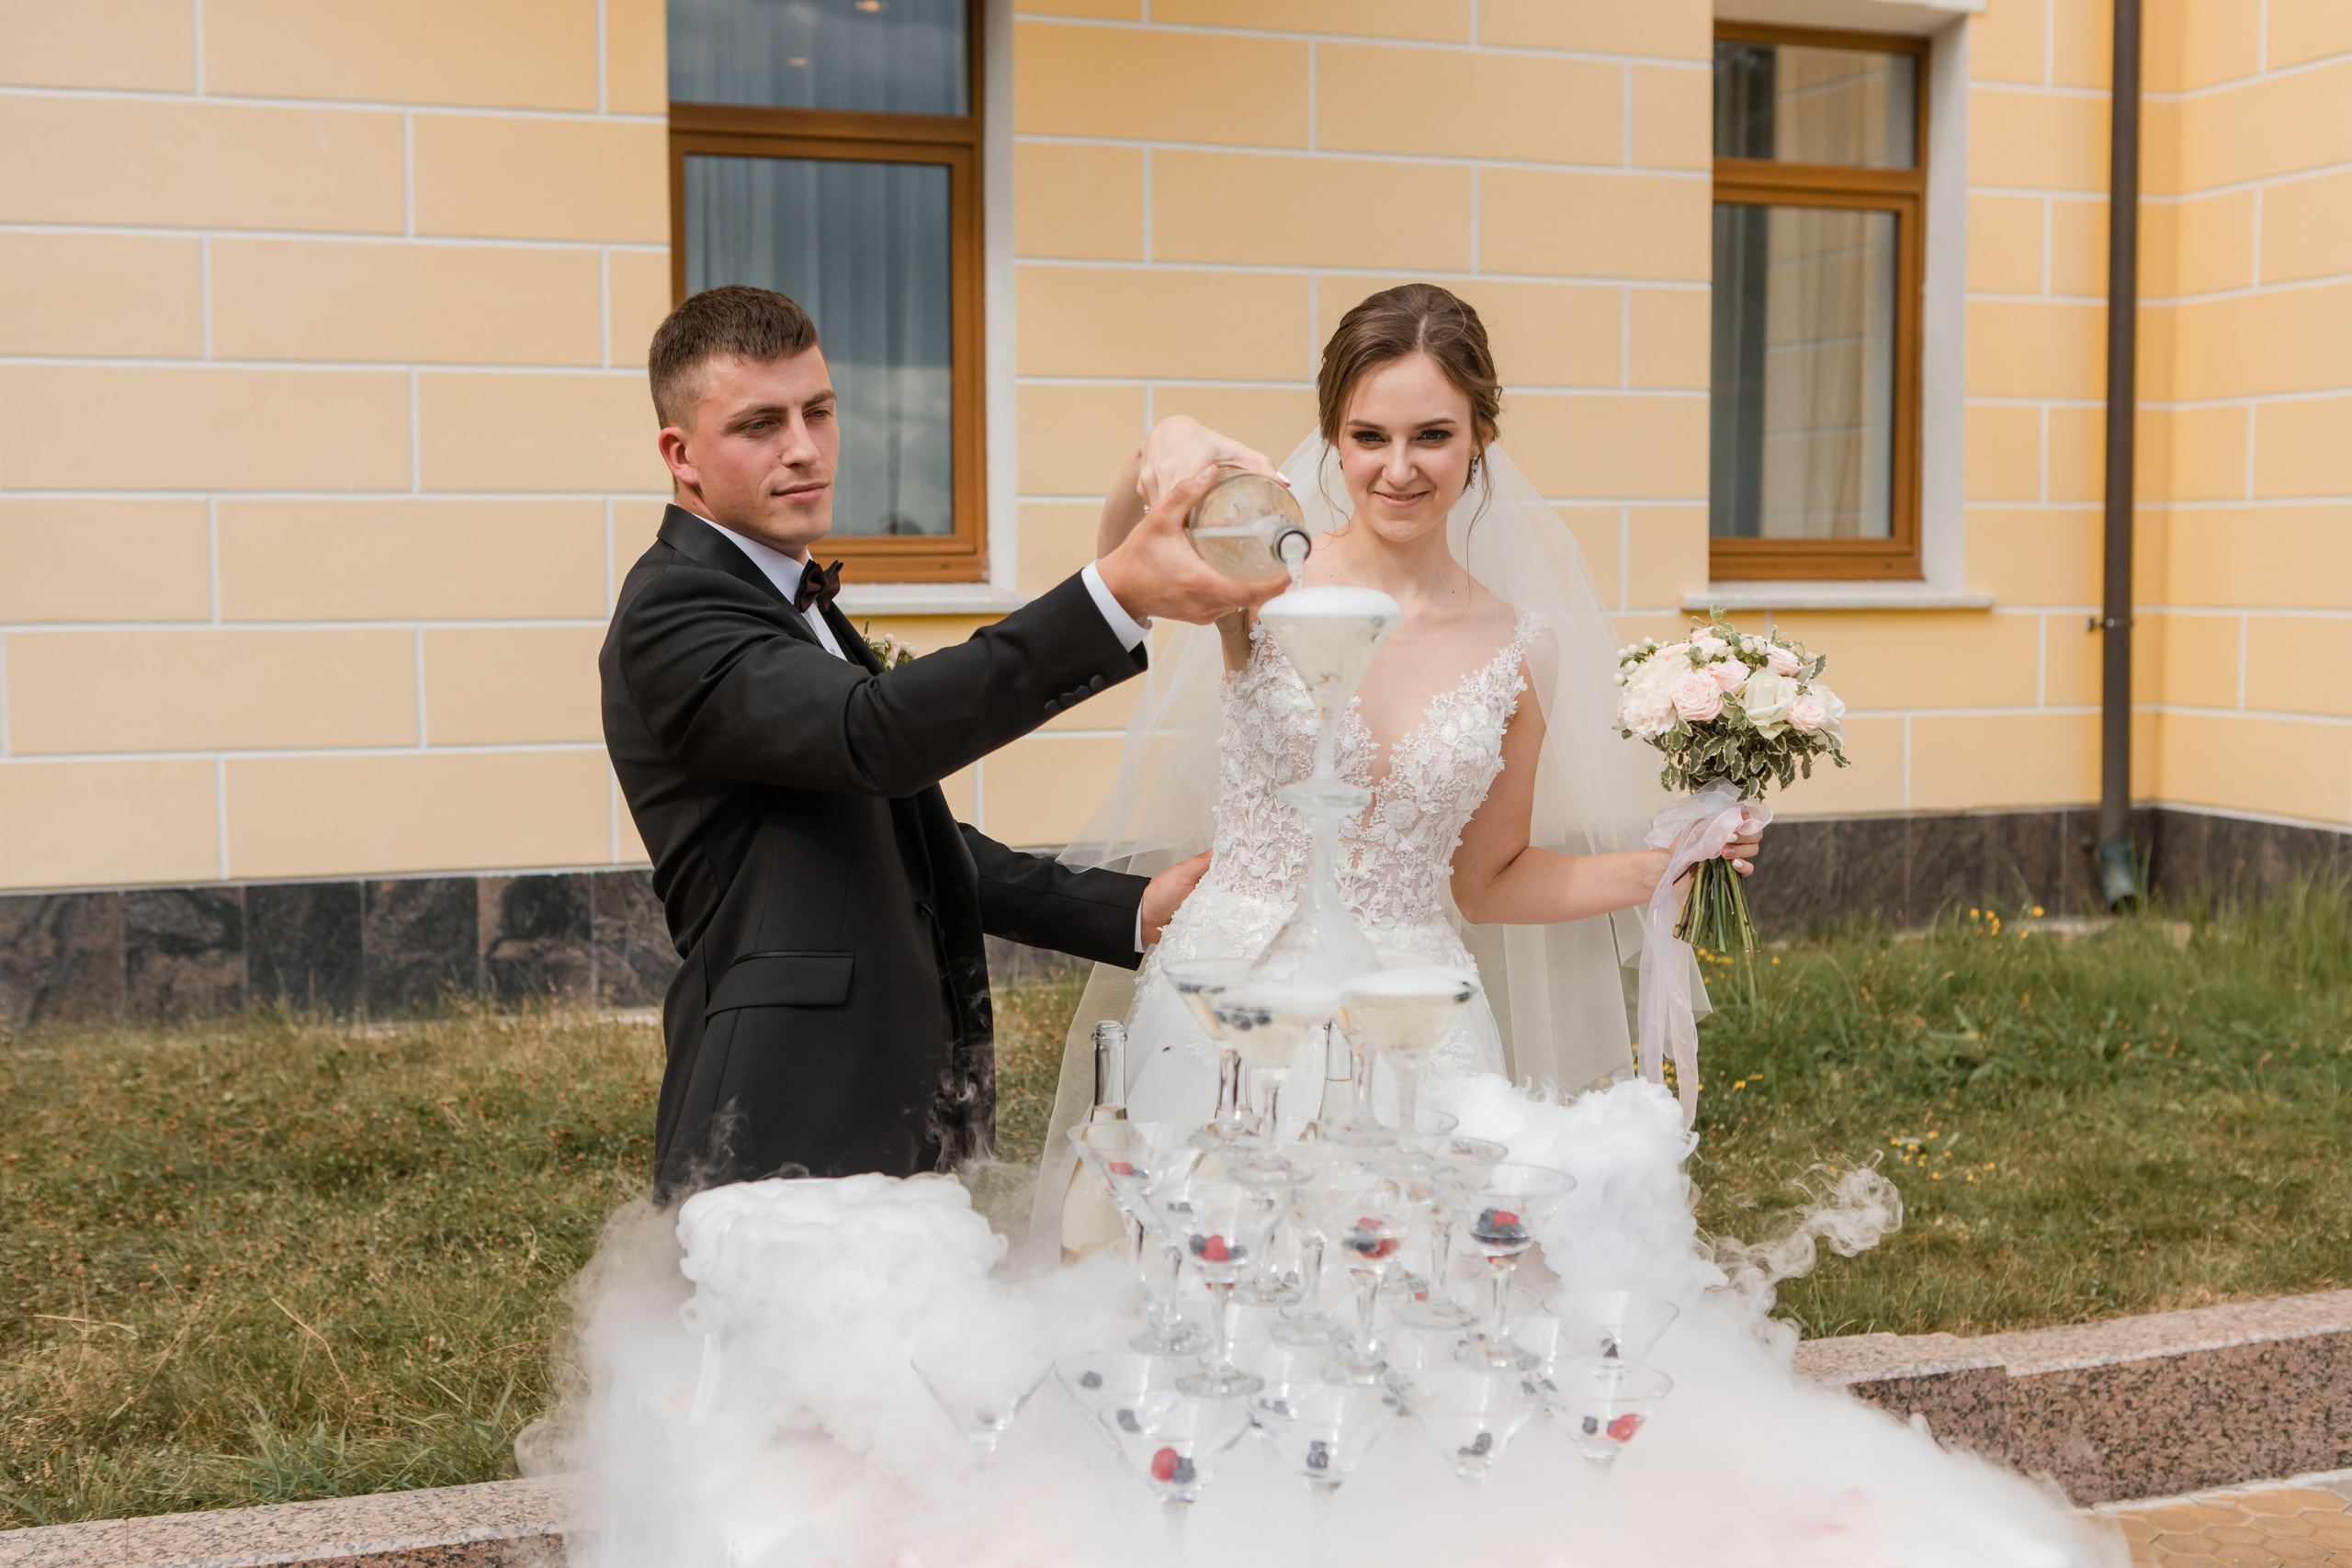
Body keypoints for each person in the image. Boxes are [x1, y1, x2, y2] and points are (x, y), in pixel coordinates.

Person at [1033, 284, 1765, 1200]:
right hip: (1233, 991)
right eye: (1369, 437)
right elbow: (1122, 569)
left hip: (1416, 1011)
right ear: (1334, 440)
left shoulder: (1519, 646)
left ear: (1480, 438)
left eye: (1432, 435)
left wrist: (1666, 865)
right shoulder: (1262, 578)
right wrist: (1163, 443)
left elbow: (1487, 883)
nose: (1398, 468)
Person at [600, 286, 1283, 1195]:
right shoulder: (674, 609)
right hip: (784, 1116)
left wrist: (1126, 909)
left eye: (818, 411)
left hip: (878, 1097)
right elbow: (873, 736)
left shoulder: (784, 598)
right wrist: (1114, 594)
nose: (803, 448)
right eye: (759, 424)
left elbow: (892, 835)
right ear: (679, 455)